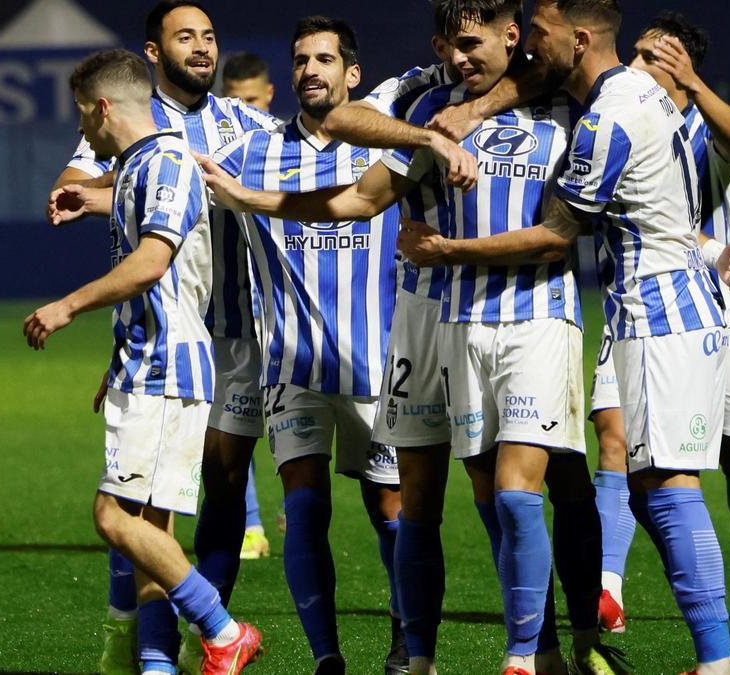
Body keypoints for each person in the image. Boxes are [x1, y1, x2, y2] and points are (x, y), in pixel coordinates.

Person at [196, 5, 624, 673]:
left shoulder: (568, 102)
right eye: (448, 45)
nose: (459, 58)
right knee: (420, 499)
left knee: (521, 494)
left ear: (514, 38)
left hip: (528, 319)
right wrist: (428, 139)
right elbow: (353, 169)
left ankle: (555, 646)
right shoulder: (423, 102)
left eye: (472, 43)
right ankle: (410, 657)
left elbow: (573, 223)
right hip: (418, 331)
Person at [396, 1, 730, 671]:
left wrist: (447, 250)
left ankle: (717, 661)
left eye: (540, 33)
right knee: (651, 490)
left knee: (669, 491)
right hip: (675, 310)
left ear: (578, 39)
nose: (531, 44)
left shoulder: (608, 118)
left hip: (658, 317)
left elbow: (557, 234)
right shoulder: (645, 94)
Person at [45, 3, 280, 673]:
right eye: (187, 38)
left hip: (229, 336)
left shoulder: (240, 120)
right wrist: (93, 191)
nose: (203, 49)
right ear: (154, 53)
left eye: (209, 36)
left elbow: (299, 156)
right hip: (166, 337)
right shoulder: (130, 124)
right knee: (150, 512)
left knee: (210, 487)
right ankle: (159, 646)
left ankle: (211, 627)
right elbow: (71, 182)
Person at [206, 17, 407, 675]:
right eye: (300, 59)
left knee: (390, 510)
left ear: (352, 73)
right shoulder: (253, 153)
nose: (310, 69)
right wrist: (92, 192)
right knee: (305, 505)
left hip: (375, 365)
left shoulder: (386, 153)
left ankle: (406, 638)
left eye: (324, 59)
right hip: (291, 367)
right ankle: (326, 654)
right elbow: (180, 180)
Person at [589, 11, 730, 634]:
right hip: (631, 312)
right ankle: (607, 592)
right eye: (637, 53)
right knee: (615, 445)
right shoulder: (617, 114)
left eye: (649, 57)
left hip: (709, 319)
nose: (633, 66)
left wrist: (693, 84)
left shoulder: (701, 128)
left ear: (677, 67)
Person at [219, 50, 279, 562]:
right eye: (236, 101)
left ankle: (288, 513)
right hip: (230, 314)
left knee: (287, 422)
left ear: (269, 97)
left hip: (282, 310)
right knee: (235, 424)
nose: (245, 110)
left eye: (253, 100)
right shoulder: (220, 153)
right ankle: (253, 523)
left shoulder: (280, 144)